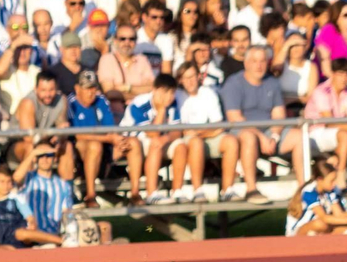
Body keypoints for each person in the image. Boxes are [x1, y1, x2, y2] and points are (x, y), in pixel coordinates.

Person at [220, 46, 287, 203]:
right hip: (241, 131)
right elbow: (234, 117)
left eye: (262, 61)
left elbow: (279, 114)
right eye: (254, 61)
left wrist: (275, 136)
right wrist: (262, 137)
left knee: (298, 136)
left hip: (269, 131)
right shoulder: (233, 83)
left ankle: (304, 190)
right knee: (249, 137)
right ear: (246, 63)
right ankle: (251, 189)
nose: (259, 65)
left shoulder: (272, 82)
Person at [173, 60, 237, 203]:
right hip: (188, 140)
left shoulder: (208, 93)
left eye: (192, 76)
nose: (190, 81)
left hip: (205, 136)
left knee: (231, 141)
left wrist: (198, 132)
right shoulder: (176, 96)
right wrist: (202, 132)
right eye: (185, 78)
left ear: (199, 77)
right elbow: (181, 129)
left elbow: (219, 125)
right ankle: (197, 190)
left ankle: (228, 189)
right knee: (196, 143)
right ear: (180, 80)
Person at [117, 73, 184, 204]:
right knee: (155, 143)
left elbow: (177, 131)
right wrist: (162, 110)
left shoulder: (174, 103)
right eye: (165, 92)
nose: (169, 97)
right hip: (133, 144)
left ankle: (178, 192)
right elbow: (152, 133)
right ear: (154, 90)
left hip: (157, 140)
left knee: (180, 146)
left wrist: (166, 139)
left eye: (172, 92)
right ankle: (151, 193)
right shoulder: (139, 103)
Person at [66, 69, 117, 206]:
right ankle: (90, 194)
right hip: (79, 151)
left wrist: (117, 140)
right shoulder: (70, 103)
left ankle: (140, 195)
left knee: (132, 144)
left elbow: (110, 128)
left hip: (104, 146)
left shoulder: (101, 100)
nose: (91, 92)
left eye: (94, 88)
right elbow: (76, 134)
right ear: (77, 89)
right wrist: (107, 139)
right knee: (94, 145)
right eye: (87, 88)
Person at [0, 165, 62, 248]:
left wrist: (32, 224)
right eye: (2, 182)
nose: (6, 185)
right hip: (5, 243)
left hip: (21, 239)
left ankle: (61, 240)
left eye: (9, 182)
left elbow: (30, 218)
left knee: (20, 233)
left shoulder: (17, 198)